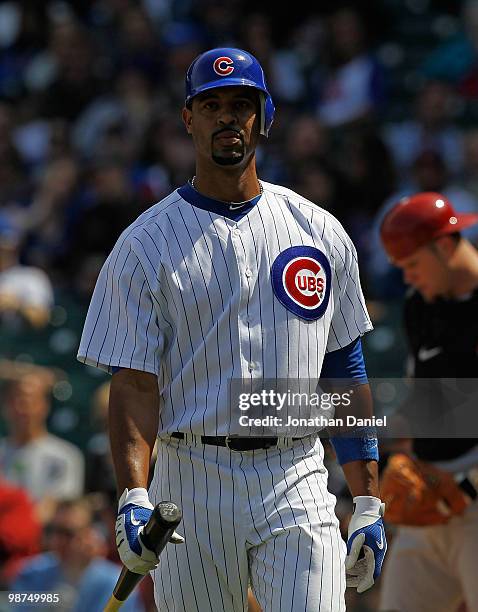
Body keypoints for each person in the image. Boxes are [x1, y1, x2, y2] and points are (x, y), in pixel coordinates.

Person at [78, 47, 387, 611]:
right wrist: (133, 493)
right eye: (212, 104)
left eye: (241, 105)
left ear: (262, 118)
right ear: (187, 119)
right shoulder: (143, 244)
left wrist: (367, 499)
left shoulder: (319, 229)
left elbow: (345, 367)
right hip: (189, 479)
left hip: (294, 471)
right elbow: (133, 383)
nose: (227, 117)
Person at [378, 192, 478, 612]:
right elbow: (424, 401)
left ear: (443, 244)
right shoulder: (421, 307)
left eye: (413, 265)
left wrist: (466, 487)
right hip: (429, 499)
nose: (408, 279)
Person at [12, 498, 143, 612]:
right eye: (52, 531)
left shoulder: (115, 584)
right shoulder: (31, 573)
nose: (56, 541)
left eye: (67, 533)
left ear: (90, 535)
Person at [0, 371, 85, 523]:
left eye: (29, 401)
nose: (22, 409)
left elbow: (57, 508)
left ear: (45, 406)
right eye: (15, 401)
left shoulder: (66, 456)